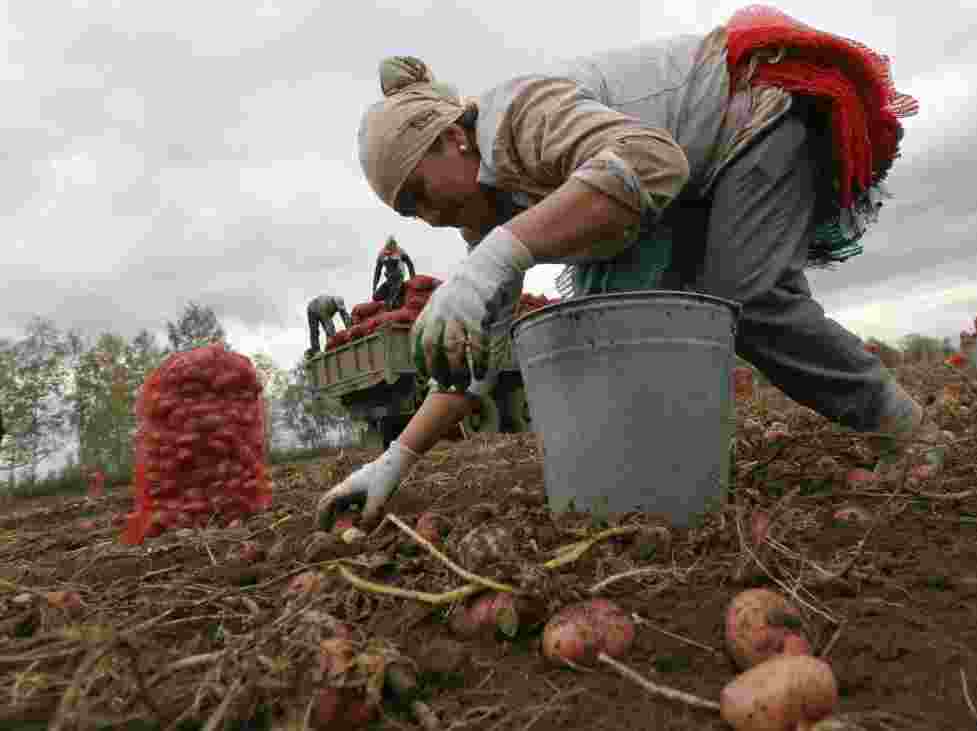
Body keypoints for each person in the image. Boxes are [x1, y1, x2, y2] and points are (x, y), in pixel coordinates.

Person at [315, 6, 944, 530]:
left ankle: (907, 429)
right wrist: (394, 462)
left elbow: (653, 162)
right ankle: (651, 494)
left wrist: (499, 255)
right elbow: (476, 363)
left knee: (745, 298)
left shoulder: (520, 118)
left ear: (452, 138)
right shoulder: (486, 213)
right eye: (406, 210)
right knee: (605, 322)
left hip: (752, 112)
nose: (424, 217)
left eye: (419, 192)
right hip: (688, 184)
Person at [372, 235, 417, 311]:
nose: (391, 250)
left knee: (389, 302)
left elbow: (410, 264)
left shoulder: (400, 251)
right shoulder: (382, 254)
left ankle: (392, 301)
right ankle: (395, 300)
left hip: (398, 277)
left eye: (393, 247)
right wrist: (374, 285)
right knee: (375, 297)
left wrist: (413, 278)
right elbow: (377, 271)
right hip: (389, 280)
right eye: (390, 248)